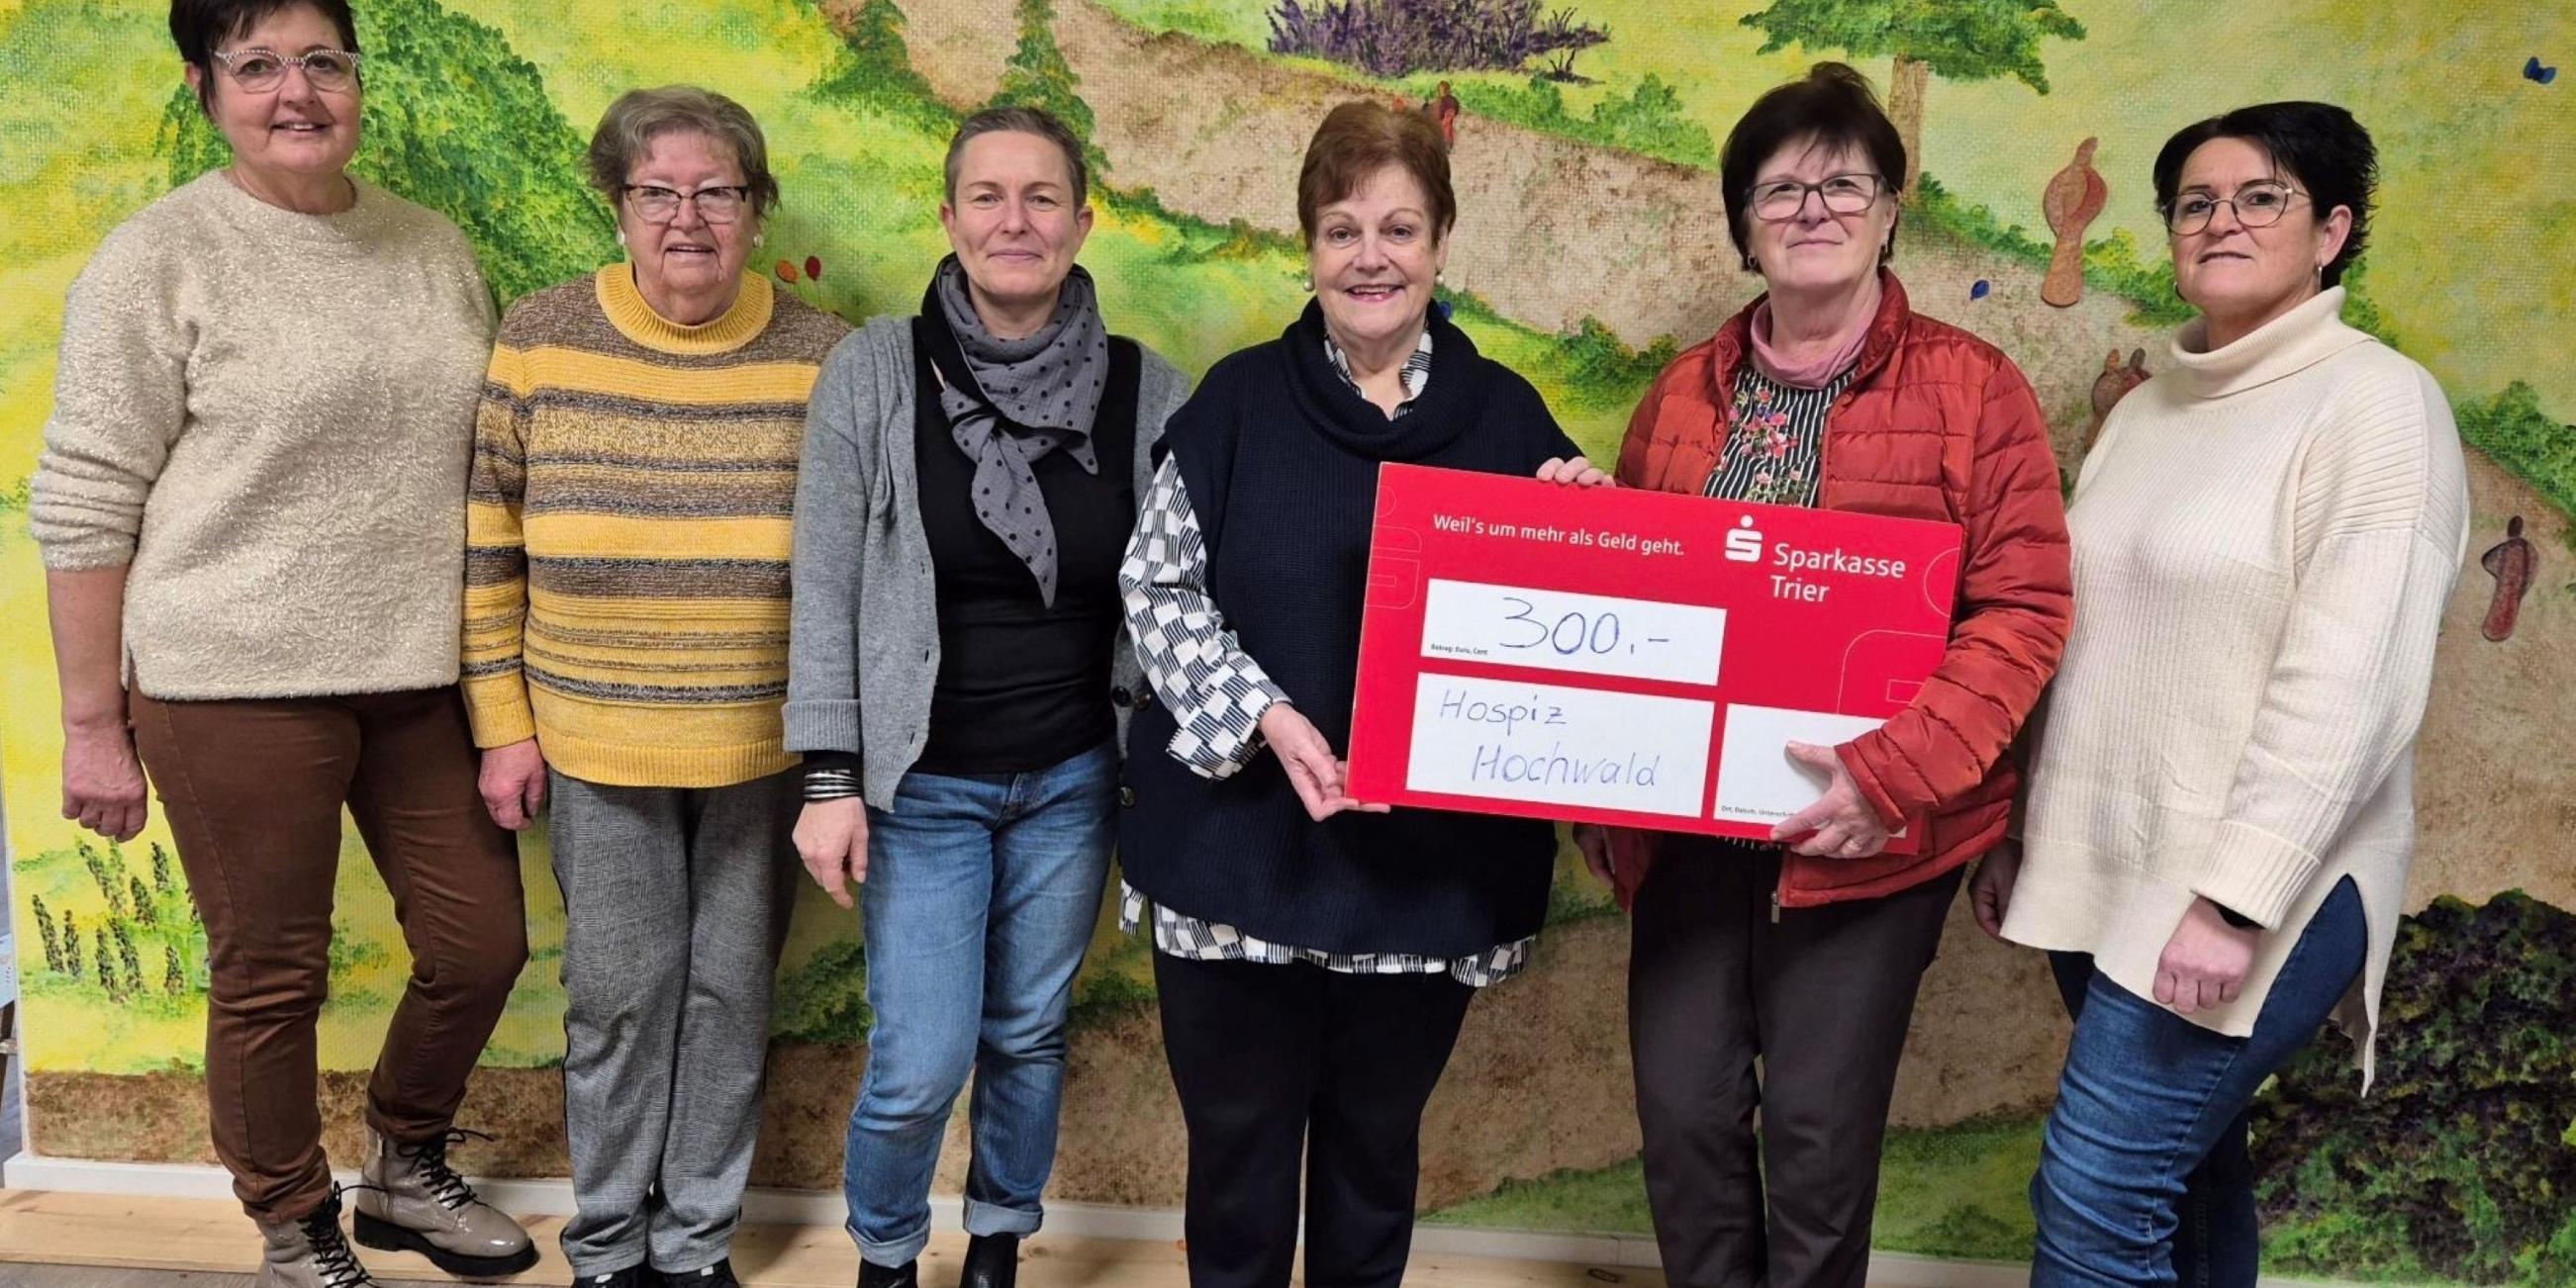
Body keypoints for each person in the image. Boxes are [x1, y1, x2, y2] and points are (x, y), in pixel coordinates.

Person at [30, 2, 534, 1284]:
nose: (295, 90)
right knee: (271, 974)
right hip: (234, 684)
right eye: (257, 66)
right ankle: (293, 1217)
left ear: (357, 81)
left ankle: (405, 1166)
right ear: (208, 89)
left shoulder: (429, 245)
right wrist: (96, 722)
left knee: (480, 945)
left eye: (321, 61)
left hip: (423, 675)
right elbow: (85, 493)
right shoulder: (160, 257)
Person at [1580, 62, 2073, 1288]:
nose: (1810, 207)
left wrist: (1887, 777)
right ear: (1742, 222)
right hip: (1691, 841)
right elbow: (1637, 604)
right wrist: (1581, 535)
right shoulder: (1682, 393)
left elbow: (2020, 606)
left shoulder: (1974, 389)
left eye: (1840, 182)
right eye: (1778, 187)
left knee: (1815, 1140)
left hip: (1870, 841)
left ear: (1891, 206)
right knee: (1685, 1126)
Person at [1115, 99, 1609, 1288]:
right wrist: (1269, 719)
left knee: (1372, 1159)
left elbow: (1565, 644)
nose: (1369, 255)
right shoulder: (1236, 403)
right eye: (1341, 229)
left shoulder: (1508, 421)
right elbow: (1156, 588)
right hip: (1237, 860)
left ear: (1440, 244)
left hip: (1423, 881)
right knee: (1237, 1162)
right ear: (1309, 249)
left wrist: (1591, 537)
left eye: (1398, 227)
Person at [1974, 102, 2468, 1288]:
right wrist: (2015, 828)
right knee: (2182, 1186)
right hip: (2102, 854)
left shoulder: (2377, 407)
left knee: (2094, 1199)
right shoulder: (2144, 411)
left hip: (2250, 880)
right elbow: (2080, 639)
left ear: (2331, 229)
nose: (2220, 221)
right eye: (2195, 202)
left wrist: (2234, 901)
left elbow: (2351, 684)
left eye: (2260, 198)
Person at [785, 105, 1193, 1288]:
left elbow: (1191, 580)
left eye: (1041, 197)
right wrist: (827, 778)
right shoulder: (871, 371)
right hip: (924, 789)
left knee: (1025, 1032)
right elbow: (822, 584)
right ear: (948, 214)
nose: (1014, 221)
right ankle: (887, 1258)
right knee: (916, 1060)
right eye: (987, 196)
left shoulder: (1145, 389)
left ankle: (998, 1247)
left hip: (1073, 780)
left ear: (1080, 218)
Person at [459, 85, 849, 1288]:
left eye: (717, 192)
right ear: (618, 205)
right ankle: (609, 1247)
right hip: (593, 743)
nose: (688, 218)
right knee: (622, 1001)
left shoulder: (825, 355)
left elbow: (848, 569)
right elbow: (488, 543)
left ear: (754, 206)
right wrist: (501, 727)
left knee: (729, 999)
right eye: (656, 191)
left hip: (759, 751)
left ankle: (693, 1248)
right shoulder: (540, 336)